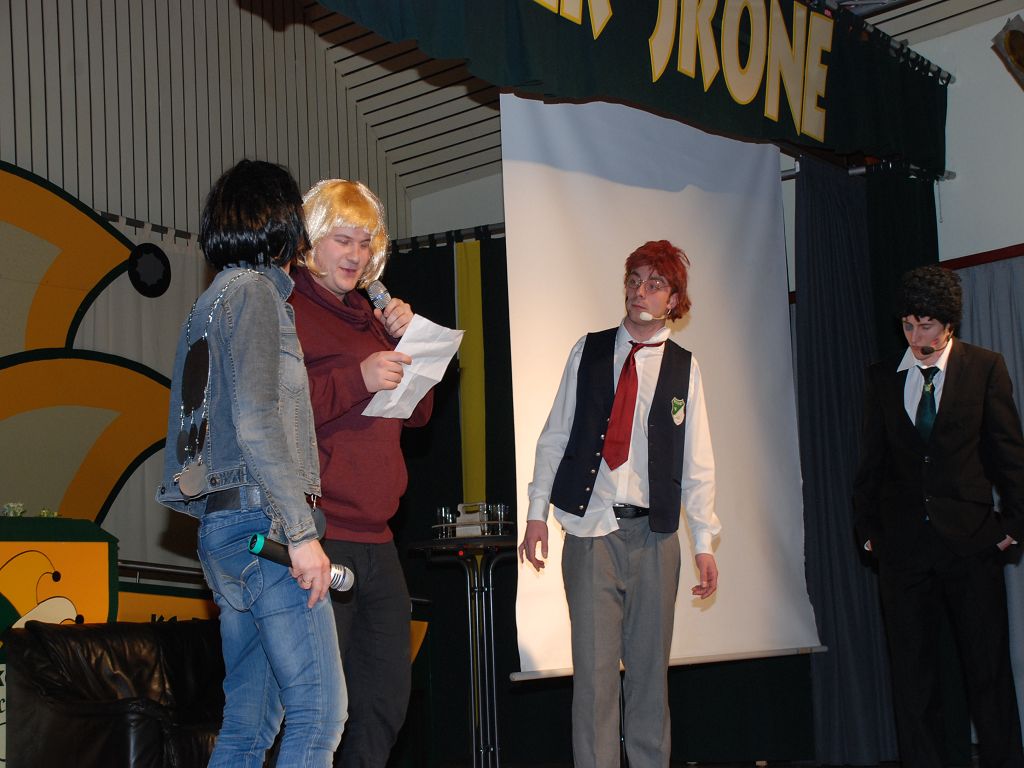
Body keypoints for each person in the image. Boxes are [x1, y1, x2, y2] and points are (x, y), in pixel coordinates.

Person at [156, 160, 345, 767]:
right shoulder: (257, 295)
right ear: (283, 223)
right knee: (319, 712)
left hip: (225, 528)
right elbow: (259, 419)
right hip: (265, 529)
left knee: (247, 724)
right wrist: (301, 534)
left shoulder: (210, 301)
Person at [518, 239, 720, 768]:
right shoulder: (587, 351)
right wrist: (536, 515)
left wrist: (704, 542)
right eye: (634, 279)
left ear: (674, 300)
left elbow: (697, 464)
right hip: (590, 533)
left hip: (655, 536)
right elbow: (554, 437)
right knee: (594, 679)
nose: (639, 291)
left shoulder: (684, 368)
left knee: (650, 678)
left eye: (654, 284)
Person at [853, 265, 1024, 768]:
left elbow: (1010, 456)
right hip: (903, 551)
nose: (916, 337)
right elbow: (871, 463)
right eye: (907, 325)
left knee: (988, 674)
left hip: (971, 545)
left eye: (925, 325)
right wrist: (868, 532)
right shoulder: (882, 377)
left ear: (949, 323)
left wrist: (1012, 528)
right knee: (912, 680)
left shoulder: (984, 368)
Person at [289, 178, 434, 767]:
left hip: (379, 537)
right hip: (321, 534)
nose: (355, 254)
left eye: (365, 242)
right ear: (310, 243)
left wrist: (410, 342)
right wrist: (358, 377)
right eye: (342, 240)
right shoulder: (288, 309)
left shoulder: (372, 316)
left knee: (384, 703)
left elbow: (418, 414)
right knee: (321, 708)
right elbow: (276, 411)